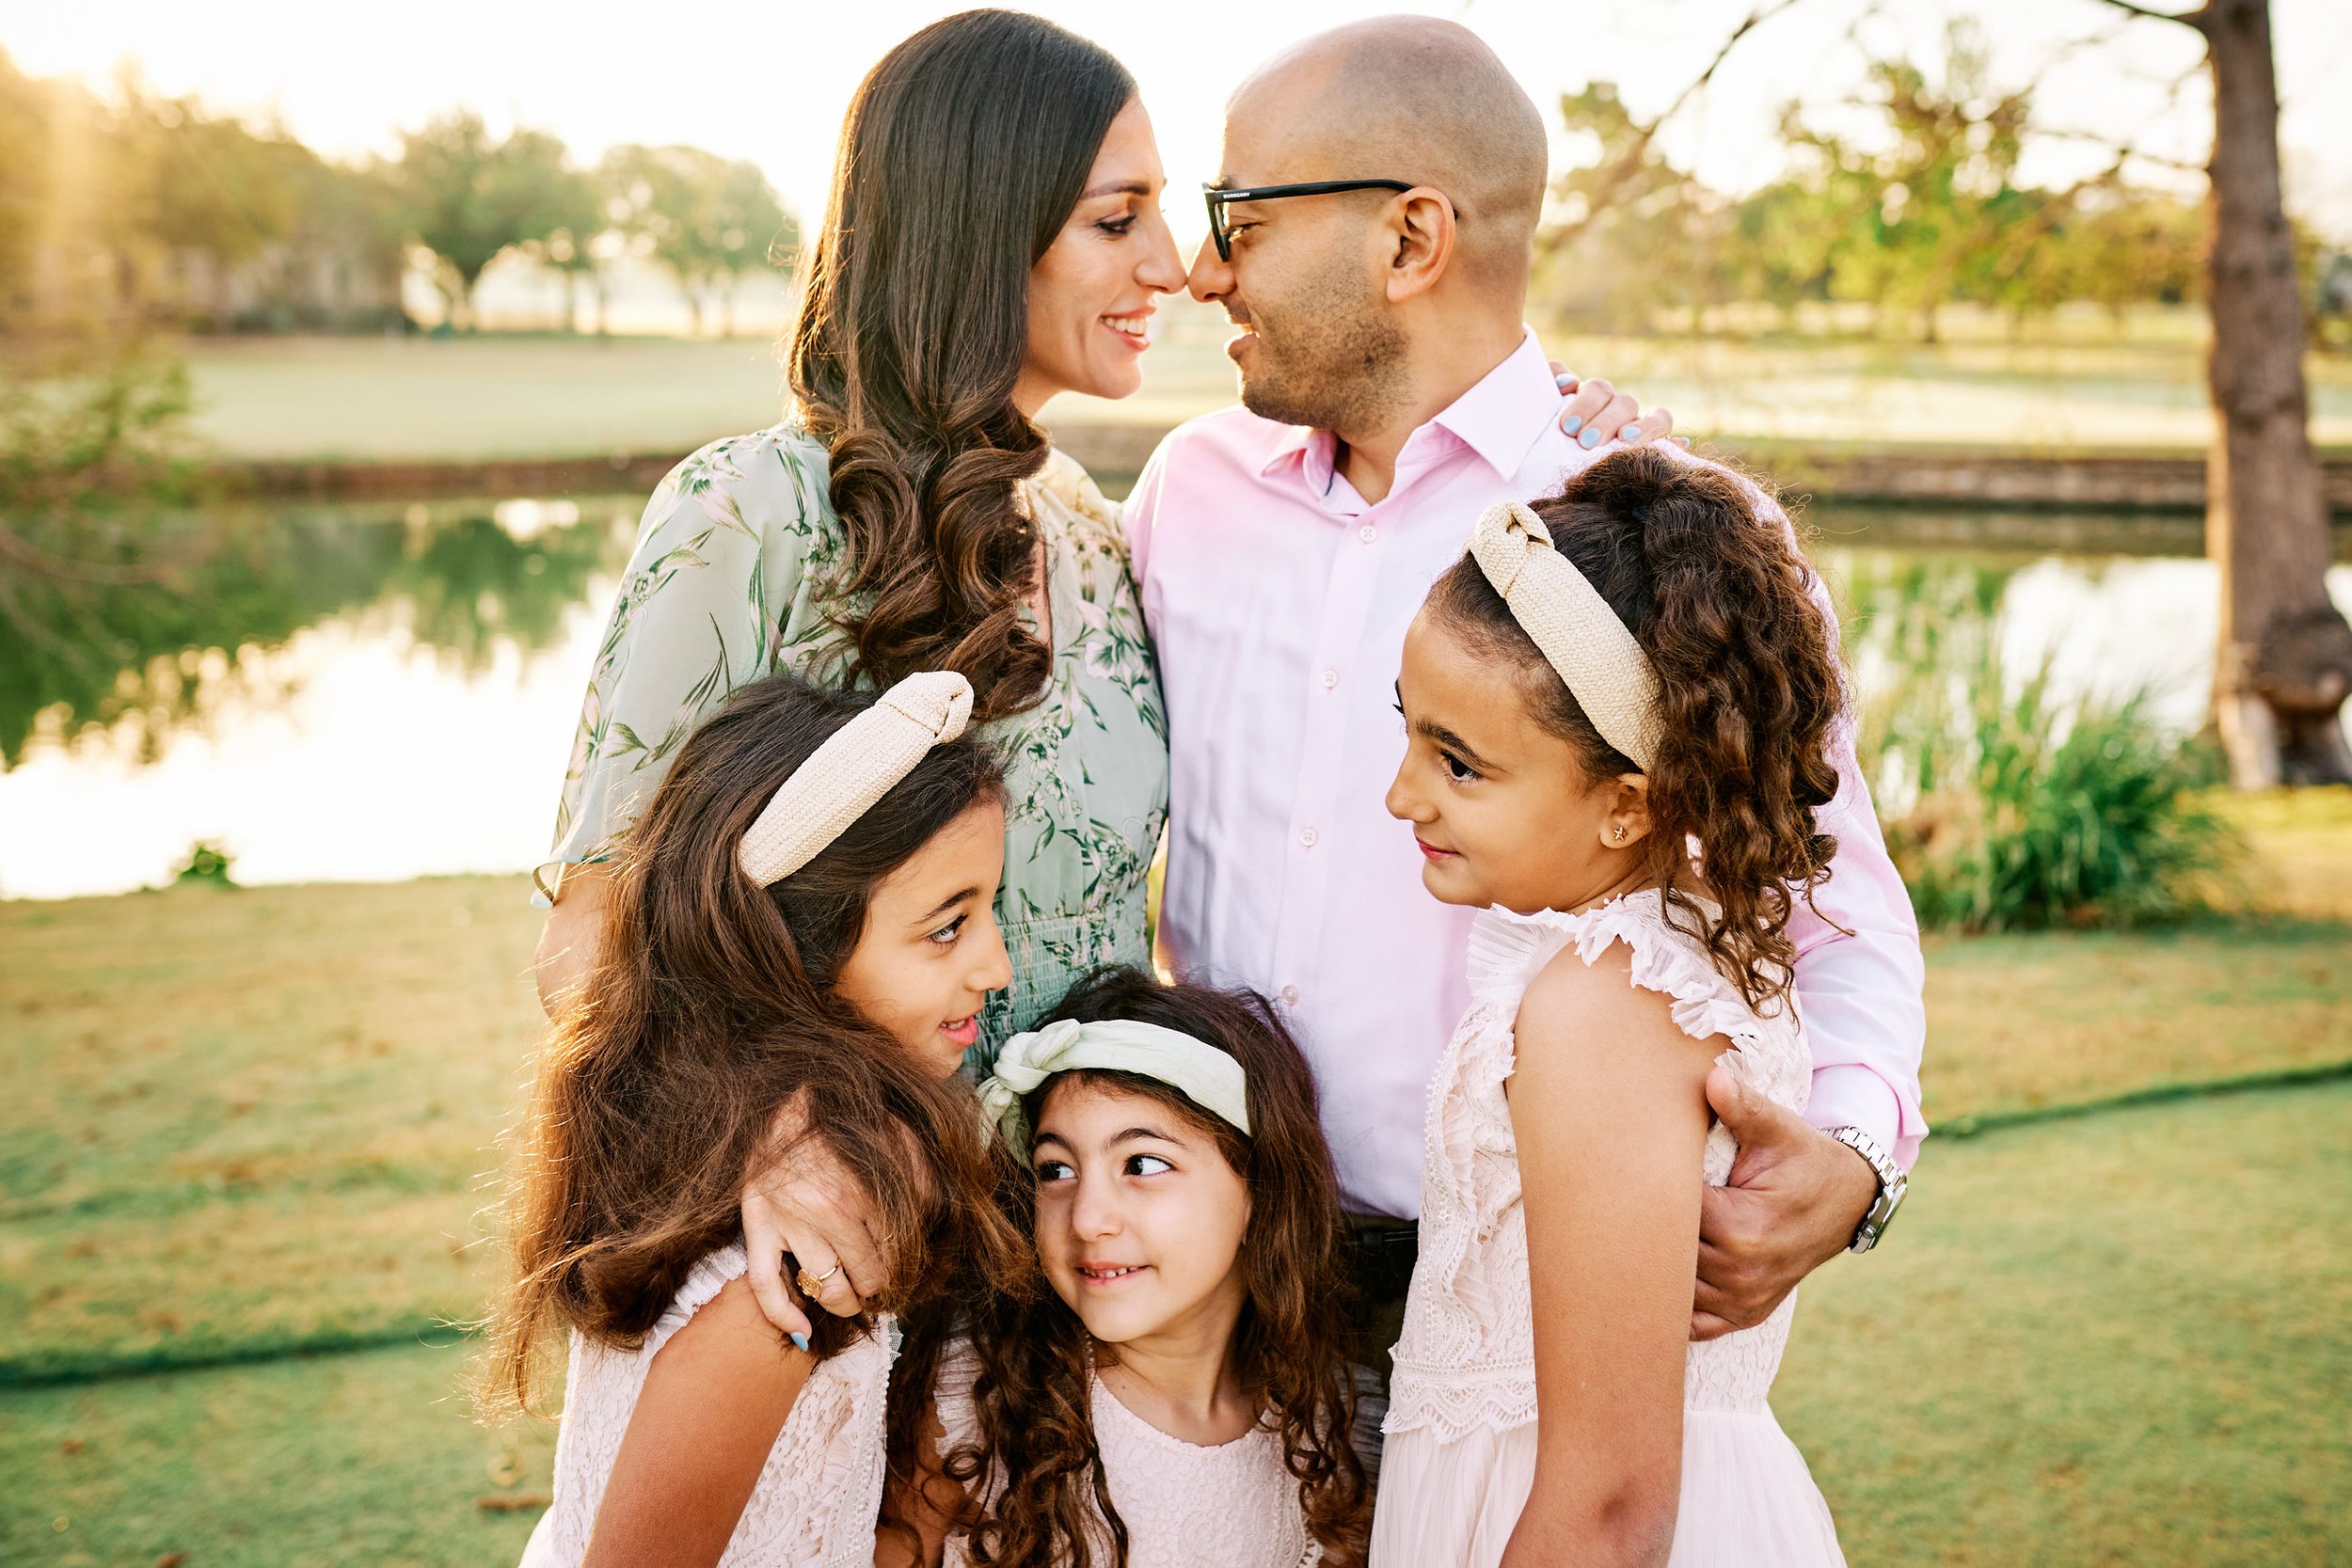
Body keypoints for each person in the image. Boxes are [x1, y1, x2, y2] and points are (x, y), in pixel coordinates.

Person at [532, 8, 1661, 1348]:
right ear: (979, 228)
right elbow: (593, 939)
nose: (1180, 270)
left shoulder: (1090, 525)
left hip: (1082, 1275)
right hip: (836, 1250)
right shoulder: (745, 512)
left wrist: (1566, 444)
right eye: (1117, 219)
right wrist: (780, 1151)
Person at [1123, 16, 1926, 1410]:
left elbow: (1832, 902)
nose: (1203, 268)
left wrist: (1855, 1154)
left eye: (1237, 216)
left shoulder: (1658, 529)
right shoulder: (1183, 496)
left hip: (1519, 1320)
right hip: (1213, 1305)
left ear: (1411, 238)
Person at [1373, 448, 1851, 1564]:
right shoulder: (1658, 956)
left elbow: (1612, 1502)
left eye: (1458, 764)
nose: (1402, 795)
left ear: (1626, 805)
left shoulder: (1607, 1009)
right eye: (1408, 730)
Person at [489, 671, 1029, 1568]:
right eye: (946, 927)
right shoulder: (776, 1286)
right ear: (799, 950)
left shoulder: (770, 1172)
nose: (997, 966)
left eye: (989, 912)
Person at [882, 967, 1372, 1568]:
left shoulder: (1318, 1436)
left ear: (1262, 1189)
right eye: (1056, 1170)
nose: (1088, 1219)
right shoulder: (969, 1413)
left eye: (1142, 1164)